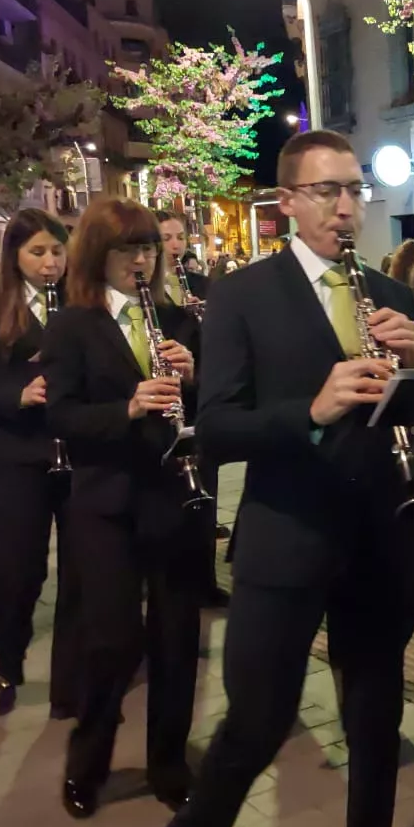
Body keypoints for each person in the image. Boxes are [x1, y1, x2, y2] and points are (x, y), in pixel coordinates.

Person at [168, 129, 414, 827]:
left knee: (376, 718)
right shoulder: (243, 294)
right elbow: (216, 427)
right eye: (328, 191)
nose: (347, 207)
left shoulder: (389, 291)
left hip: (377, 534)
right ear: (286, 203)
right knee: (257, 716)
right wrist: (310, 412)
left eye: (355, 190)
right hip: (286, 534)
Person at [41, 198, 203, 818]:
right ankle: (90, 758)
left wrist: (194, 378)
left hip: (172, 496)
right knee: (111, 641)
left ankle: (169, 761)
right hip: (105, 503)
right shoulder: (72, 326)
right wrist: (128, 408)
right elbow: (62, 415)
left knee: (176, 638)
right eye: (127, 250)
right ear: (98, 256)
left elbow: (213, 407)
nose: (141, 260)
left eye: (147, 249)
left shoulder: (178, 320)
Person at [0, 209, 80, 718]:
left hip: (73, 450)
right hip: (10, 455)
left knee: (81, 570)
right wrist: (15, 395)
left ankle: (72, 676)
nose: (50, 263)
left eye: (57, 251)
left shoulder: (79, 303)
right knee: (16, 571)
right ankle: (9, 658)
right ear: (14, 256)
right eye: (38, 252)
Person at [157, 209, 232, 593]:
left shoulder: (203, 285)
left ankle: (205, 579)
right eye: (165, 238)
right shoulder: (148, 291)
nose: (174, 245)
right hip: (168, 396)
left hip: (201, 391)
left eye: (178, 238)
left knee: (208, 485)